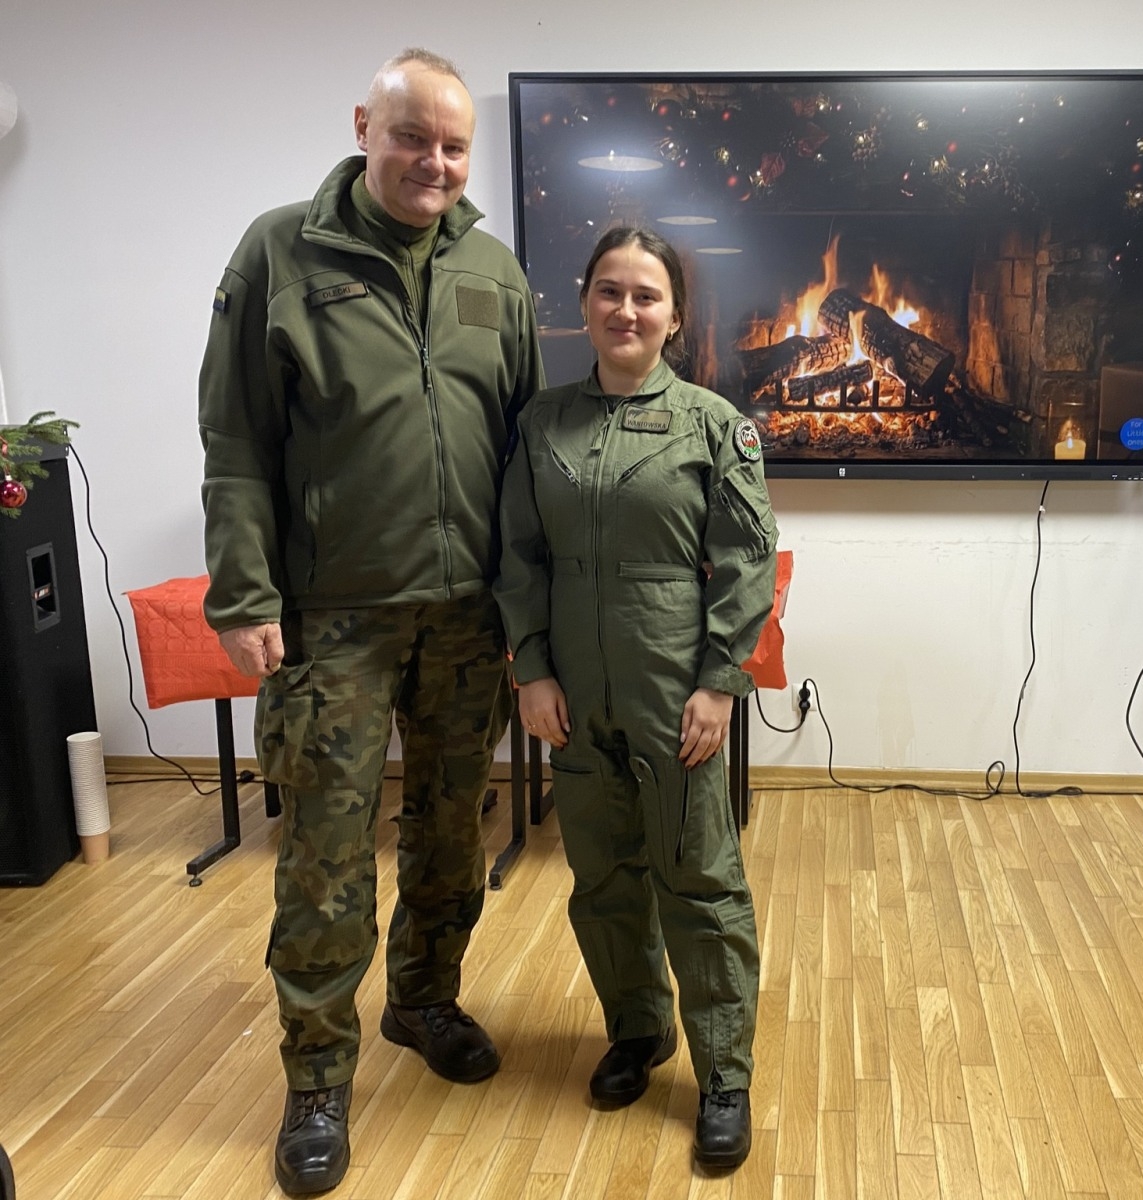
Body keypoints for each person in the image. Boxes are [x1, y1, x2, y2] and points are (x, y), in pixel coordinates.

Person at [198, 49, 542, 1196]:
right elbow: (236, 441)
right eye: (412, 137)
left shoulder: (495, 269)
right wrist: (244, 594)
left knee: (450, 834)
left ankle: (424, 1001)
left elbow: (525, 452)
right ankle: (315, 1079)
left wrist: (526, 606)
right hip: (331, 618)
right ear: (363, 127)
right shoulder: (278, 253)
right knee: (325, 855)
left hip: (466, 617)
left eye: (453, 146)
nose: (434, 162)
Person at [495, 226, 776, 1169]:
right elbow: (518, 555)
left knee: (699, 879)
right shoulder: (542, 424)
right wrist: (531, 667)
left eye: (646, 295)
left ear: (675, 317)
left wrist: (719, 683)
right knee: (605, 878)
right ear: (584, 305)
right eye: (609, 291)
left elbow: (747, 562)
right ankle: (637, 1030)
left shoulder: (713, 425)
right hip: (574, 692)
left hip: (672, 685)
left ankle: (724, 1072)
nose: (626, 310)